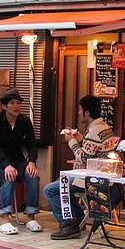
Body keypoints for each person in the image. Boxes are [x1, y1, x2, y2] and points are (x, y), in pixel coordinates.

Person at [44, 94, 116, 239]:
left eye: (80, 109)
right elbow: (95, 149)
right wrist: (81, 138)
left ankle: (68, 224)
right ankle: (77, 217)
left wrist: (71, 141)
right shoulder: (105, 128)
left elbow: (84, 157)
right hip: (104, 176)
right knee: (64, 185)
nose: (78, 112)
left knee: (50, 190)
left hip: (92, 179)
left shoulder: (95, 131)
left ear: (87, 113)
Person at [0, 88, 42, 235]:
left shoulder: (24, 121)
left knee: (32, 175)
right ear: (4, 106)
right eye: (12, 103)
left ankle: (31, 215)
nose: (16, 106)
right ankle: (4, 218)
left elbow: (32, 144)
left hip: (18, 159)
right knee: (8, 176)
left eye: (18, 103)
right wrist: (6, 165)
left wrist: (32, 161)